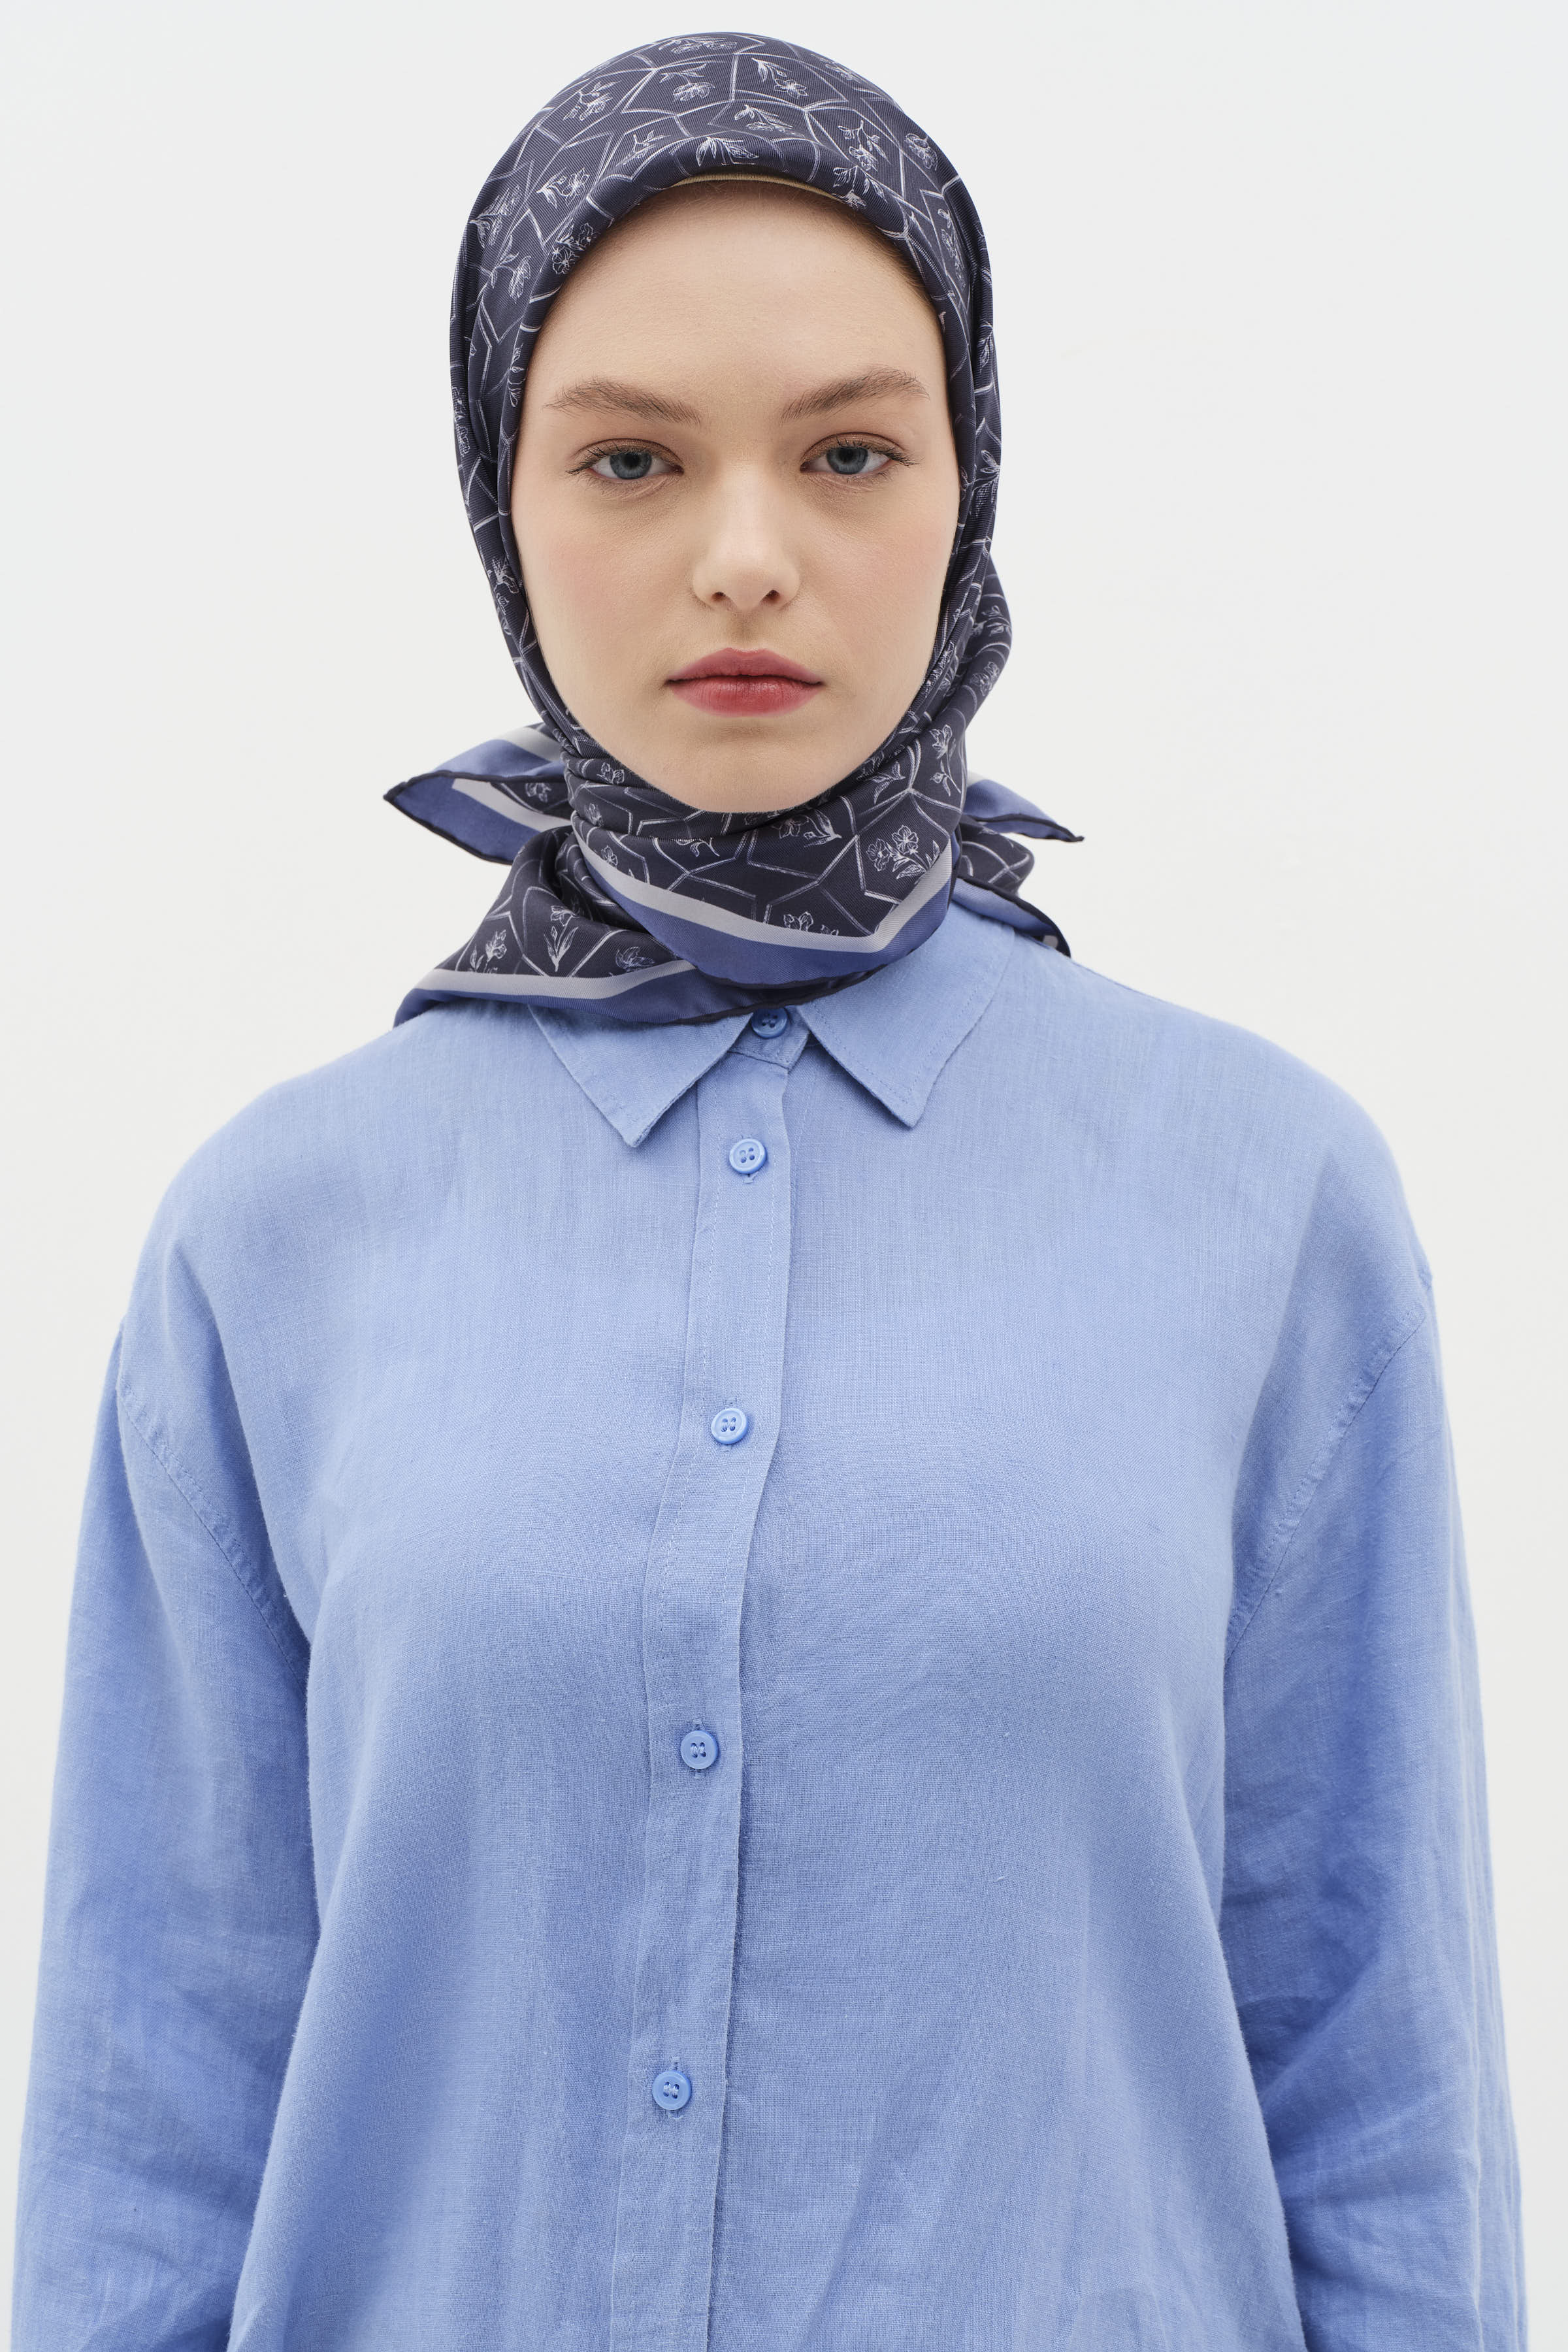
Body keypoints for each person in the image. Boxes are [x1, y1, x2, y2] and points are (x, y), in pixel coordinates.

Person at [12, 32, 1524, 2352]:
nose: (745, 555)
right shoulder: (273, 1238)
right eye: (629, 457)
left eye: (849, 453)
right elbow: (156, 2120)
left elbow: (1380, 2095)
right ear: (502, 494)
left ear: (967, 482)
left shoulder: (1265, 1200)